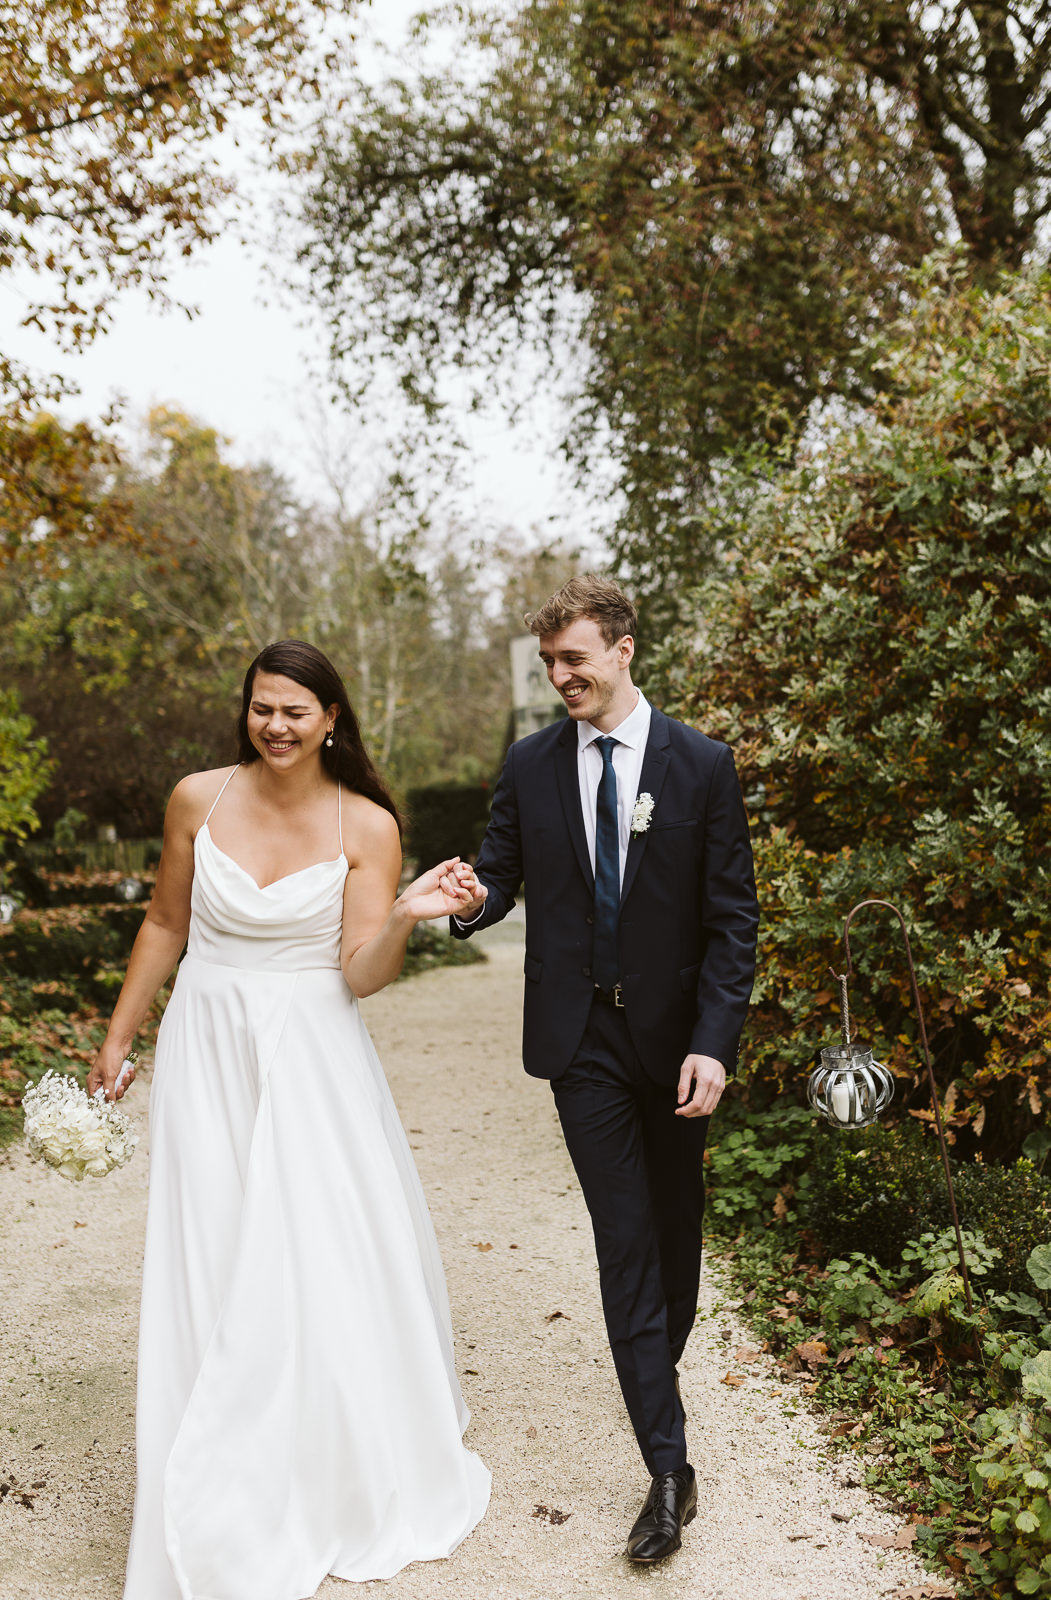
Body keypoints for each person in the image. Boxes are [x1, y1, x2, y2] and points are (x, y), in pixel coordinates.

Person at [88, 639, 490, 1600]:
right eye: (262, 708)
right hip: (209, 1043)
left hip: (312, 1053)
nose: (275, 726)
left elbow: (358, 975)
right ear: (247, 709)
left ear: (331, 720)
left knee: (312, 1248)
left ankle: (323, 1460)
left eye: (295, 712)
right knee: (216, 1245)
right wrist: (118, 1036)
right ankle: (210, 1443)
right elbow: (165, 924)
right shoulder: (199, 797)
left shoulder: (366, 823)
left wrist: (402, 914)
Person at [452, 575, 758, 1565]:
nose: (559, 677)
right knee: (624, 1241)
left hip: (675, 1047)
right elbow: (500, 872)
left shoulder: (700, 765)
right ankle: (666, 1471)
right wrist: (466, 897)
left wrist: (713, 1039)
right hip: (578, 1043)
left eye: (573, 658)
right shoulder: (531, 764)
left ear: (622, 648)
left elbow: (730, 920)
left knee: (673, 1235)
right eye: (548, 663)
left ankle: (648, 1371)